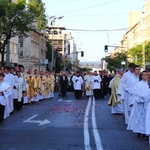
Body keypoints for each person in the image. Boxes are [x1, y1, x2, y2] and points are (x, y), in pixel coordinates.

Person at [127, 71, 150, 138]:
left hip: (147, 104)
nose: (145, 76)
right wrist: (141, 99)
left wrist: (146, 99)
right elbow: (135, 93)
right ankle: (139, 131)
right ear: (141, 76)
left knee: (145, 118)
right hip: (139, 104)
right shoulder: (138, 84)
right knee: (139, 118)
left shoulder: (148, 84)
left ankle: (145, 132)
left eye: (146, 75)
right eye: (144, 75)